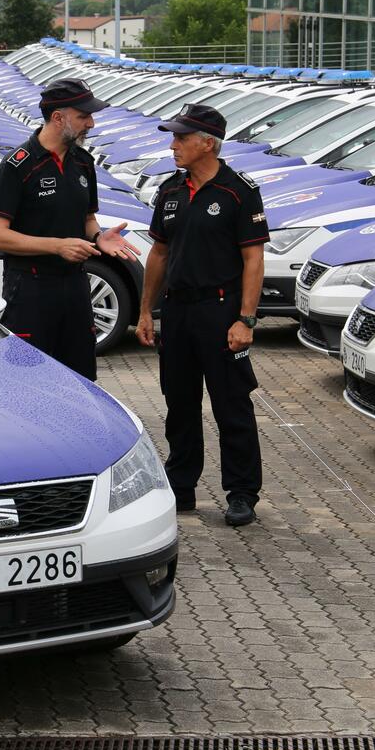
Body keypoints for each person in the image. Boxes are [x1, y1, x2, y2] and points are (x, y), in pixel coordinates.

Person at [135, 103, 268, 527]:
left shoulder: (238, 190)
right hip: (178, 312)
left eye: (181, 138)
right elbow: (158, 252)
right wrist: (145, 312)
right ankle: (182, 488)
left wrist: (245, 319)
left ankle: (242, 492)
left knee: (231, 405)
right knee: (180, 404)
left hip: (221, 310)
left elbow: (253, 259)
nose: (173, 145)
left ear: (207, 144)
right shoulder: (171, 190)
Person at [0, 78, 137, 380]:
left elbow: (88, 218)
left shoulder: (83, 162)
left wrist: (97, 236)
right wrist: (57, 246)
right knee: (27, 379)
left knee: (80, 378)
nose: (91, 123)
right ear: (58, 118)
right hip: (30, 289)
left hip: (76, 286)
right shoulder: (18, 165)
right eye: (83, 116)